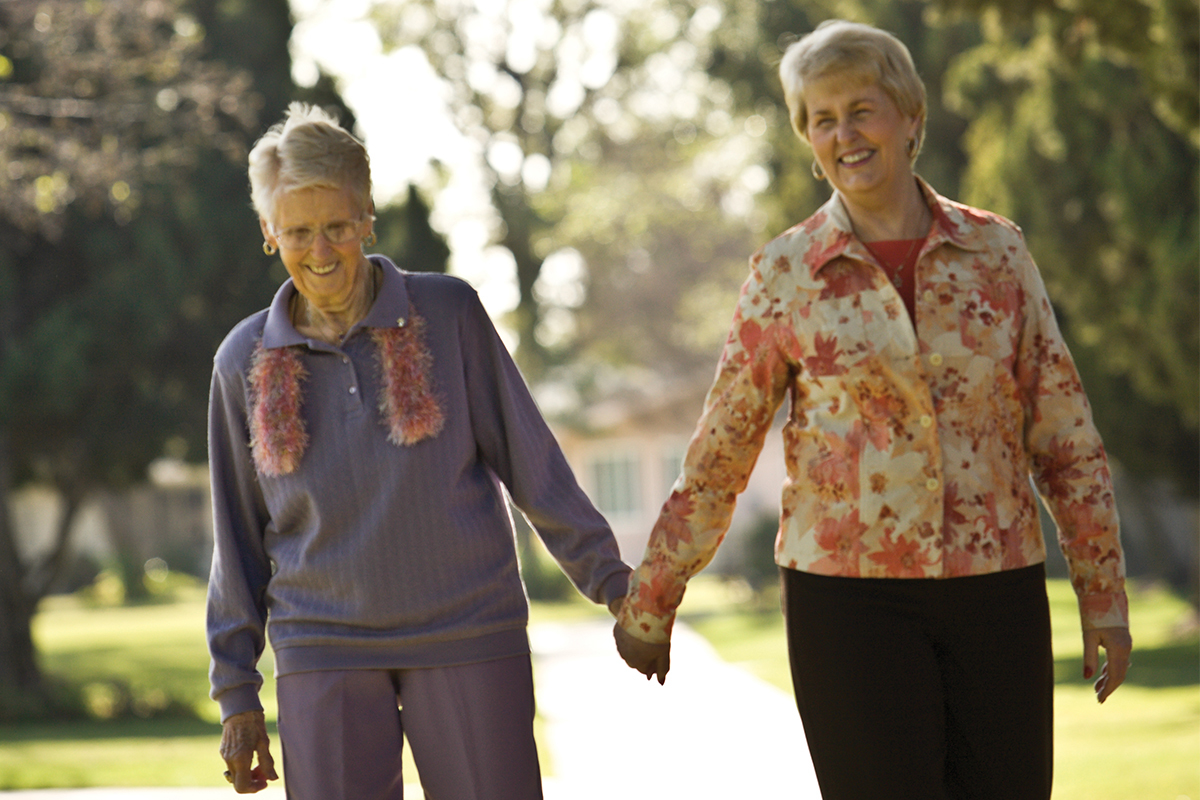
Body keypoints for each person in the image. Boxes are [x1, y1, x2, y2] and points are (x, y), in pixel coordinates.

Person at [612, 20, 1131, 800]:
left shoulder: (999, 254)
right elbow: (721, 450)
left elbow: (1065, 439)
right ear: (807, 138)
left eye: (863, 109)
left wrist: (1104, 597)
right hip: (848, 603)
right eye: (822, 119)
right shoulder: (785, 273)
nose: (843, 134)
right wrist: (654, 596)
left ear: (910, 117)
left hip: (995, 589)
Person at [207, 102, 631, 798]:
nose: (320, 253)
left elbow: (536, 468)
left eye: (338, 228)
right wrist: (237, 695)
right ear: (267, 231)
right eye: (299, 232)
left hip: (467, 631)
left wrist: (615, 587)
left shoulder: (450, 313)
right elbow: (237, 536)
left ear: (368, 215)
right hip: (324, 647)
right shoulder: (242, 359)